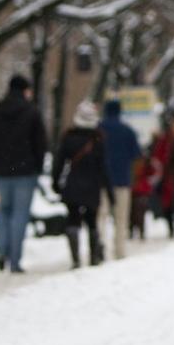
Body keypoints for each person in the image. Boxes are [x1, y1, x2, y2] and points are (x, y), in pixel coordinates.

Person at [0, 74, 48, 273]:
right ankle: (15, 259)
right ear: (24, 90)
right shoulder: (31, 112)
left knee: (3, 212)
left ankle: (2, 250)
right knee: (20, 214)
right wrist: (38, 166)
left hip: (1, 171)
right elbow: (40, 143)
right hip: (25, 171)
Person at [52, 100, 115, 268]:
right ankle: (94, 257)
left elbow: (58, 163)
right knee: (91, 221)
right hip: (92, 186)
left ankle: (75, 259)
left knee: (73, 220)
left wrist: (55, 182)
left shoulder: (68, 137)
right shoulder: (98, 138)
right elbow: (103, 168)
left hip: (72, 186)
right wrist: (109, 192)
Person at [99, 99, 142, 259]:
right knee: (121, 217)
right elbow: (137, 156)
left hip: (102, 180)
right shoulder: (127, 131)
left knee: (101, 216)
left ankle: (100, 247)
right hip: (122, 179)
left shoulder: (99, 130)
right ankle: (119, 250)